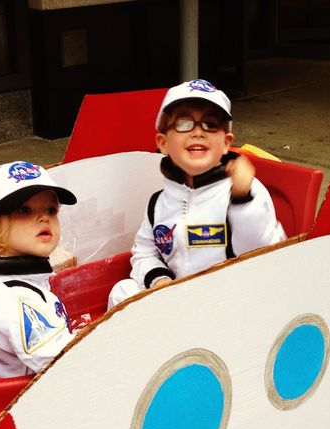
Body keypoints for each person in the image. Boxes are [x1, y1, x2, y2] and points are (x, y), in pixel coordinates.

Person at [108, 79, 286, 306]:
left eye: (211, 124)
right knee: (122, 291)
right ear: (163, 143)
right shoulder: (158, 203)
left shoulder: (244, 192)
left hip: (229, 304)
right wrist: (160, 280)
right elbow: (144, 252)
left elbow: (266, 256)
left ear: (225, 143)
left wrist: (242, 198)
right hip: (176, 299)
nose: (198, 132)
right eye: (184, 123)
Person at [0, 161, 78, 378]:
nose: (44, 217)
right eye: (23, 210)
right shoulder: (16, 300)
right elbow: (66, 369)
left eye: (51, 209)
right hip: (28, 393)